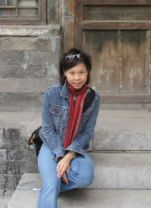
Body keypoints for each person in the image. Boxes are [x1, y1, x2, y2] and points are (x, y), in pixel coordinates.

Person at [37, 48, 100, 208]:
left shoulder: (93, 98)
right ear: (64, 72)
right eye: (72, 73)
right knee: (51, 186)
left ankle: (51, 185)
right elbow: (47, 129)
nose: (77, 78)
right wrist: (59, 156)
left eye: (81, 72)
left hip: (76, 147)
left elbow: (87, 131)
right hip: (51, 145)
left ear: (88, 72)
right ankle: (51, 186)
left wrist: (69, 156)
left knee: (85, 177)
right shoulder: (51, 94)